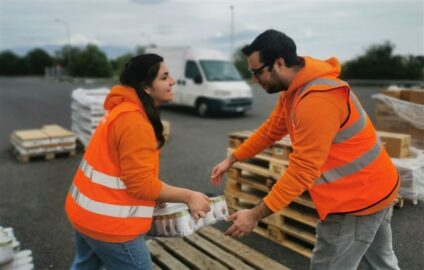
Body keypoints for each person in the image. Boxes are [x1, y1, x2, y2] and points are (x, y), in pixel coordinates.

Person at [211, 29, 400, 270]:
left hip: (355, 202)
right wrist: (234, 158)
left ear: (279, 63)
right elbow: (271, 130)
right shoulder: (295, 88)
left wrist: (254, 215)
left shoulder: (316, 101)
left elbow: (303, 171)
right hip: (377, 187)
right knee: (383, 263)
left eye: (257, 72)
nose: (254, 80)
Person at [65, 54, 211, 270]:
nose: (172, 81)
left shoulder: (122, 110)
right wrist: (189, 196)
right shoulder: (136, 123)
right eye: (164, 77)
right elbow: (140, 184)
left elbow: (124, 171)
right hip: (109, 224)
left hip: (84, 212)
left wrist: (156, 196)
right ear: (145, 87)